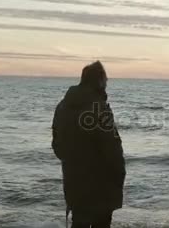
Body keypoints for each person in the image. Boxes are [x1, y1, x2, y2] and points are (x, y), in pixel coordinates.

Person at [52, 61, 126, 228]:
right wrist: (119, 176)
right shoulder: (99, 108)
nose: (106, 83)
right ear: (99, 81)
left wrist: (73, 163)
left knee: (78, 223)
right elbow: (113, 149)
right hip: (101, 185)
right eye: (105, 80)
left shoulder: (62, 107)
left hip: (73, 182)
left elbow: (57, 147)